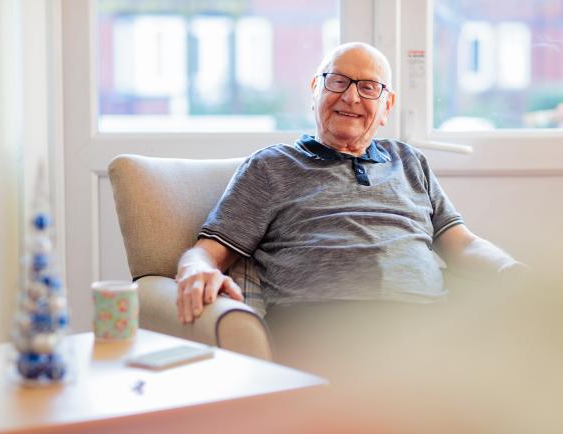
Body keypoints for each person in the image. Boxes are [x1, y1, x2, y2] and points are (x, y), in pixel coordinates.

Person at [175, 42, 525, 374]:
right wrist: (194, 269)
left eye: (369, 87)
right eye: (338, 81)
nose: (351, 96)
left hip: (424, 327)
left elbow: (463, 244)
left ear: (387, 106)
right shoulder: (271, 167)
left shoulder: (409, 162)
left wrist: (511, 269)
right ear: (315, 89)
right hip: (322, 329)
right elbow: (207, 252)